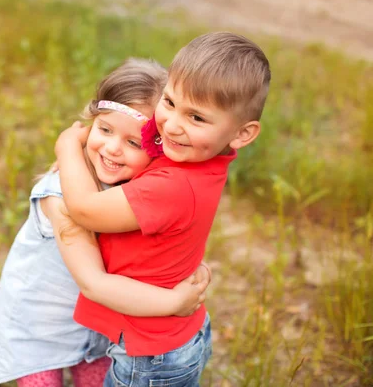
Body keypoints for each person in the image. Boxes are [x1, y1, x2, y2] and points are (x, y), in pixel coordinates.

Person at [0, 58, 213, 387]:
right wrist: (173, 302)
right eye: (105, 129)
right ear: (90, 123)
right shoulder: (60, 197)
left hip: (97, 330)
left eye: (133, 142)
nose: (112, 148)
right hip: (40, 331)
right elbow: (92, 281)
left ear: (158, 149)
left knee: (95, 381)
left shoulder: (140, 190)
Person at [55, 32, 271, 386]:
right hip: (174, 338)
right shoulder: (199, 159)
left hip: (151, 354)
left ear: (242, 134)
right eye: (169, 102)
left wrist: (67, 146)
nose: (171, 125)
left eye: (197, 118)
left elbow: (84, 209)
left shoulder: (172, 186)